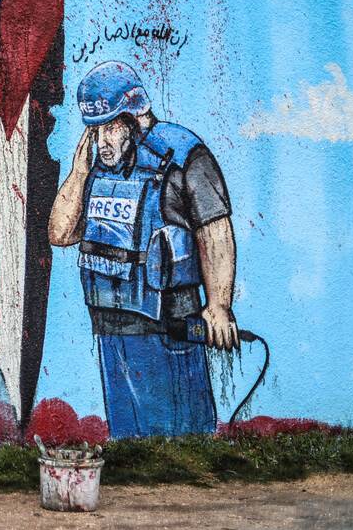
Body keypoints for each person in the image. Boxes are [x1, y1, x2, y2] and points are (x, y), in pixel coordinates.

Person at [48, 61, 238, 438]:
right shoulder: (97, 167)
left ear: (135, 118)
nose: (101, 141)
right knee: (128, 441)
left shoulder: (184, 156)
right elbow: (60, 232)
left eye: (110, 127)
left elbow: (215, 230)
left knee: (182, 438)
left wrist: (218, 306)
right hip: (111, 328)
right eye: (94, 129)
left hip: (169, 329)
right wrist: (79, 172)